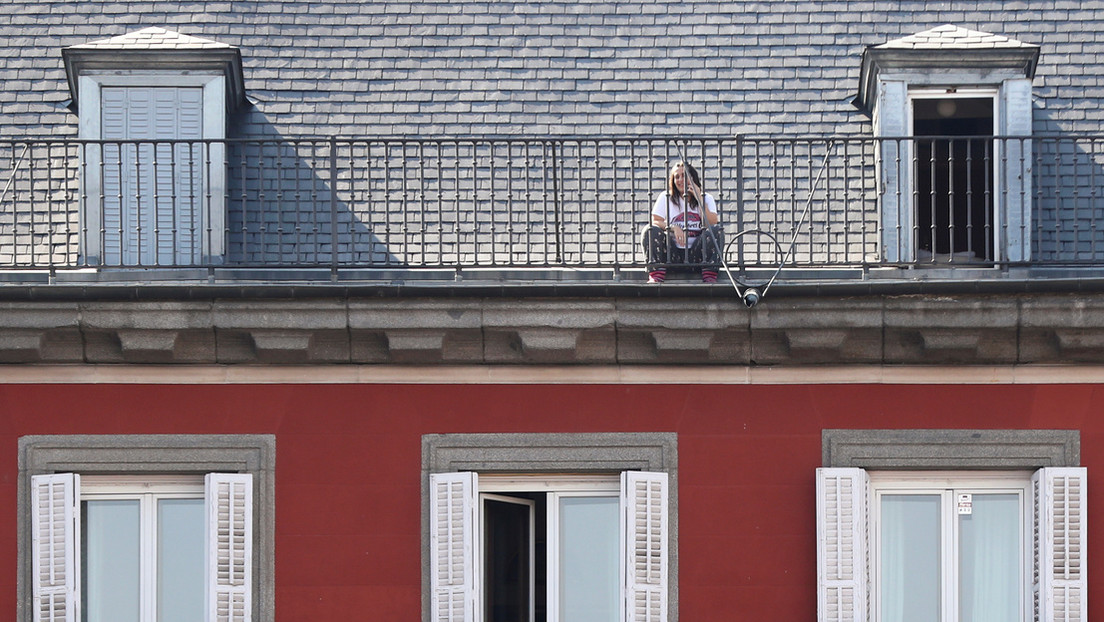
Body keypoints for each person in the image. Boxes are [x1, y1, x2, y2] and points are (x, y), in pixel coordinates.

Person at [641, 161, 723, 283]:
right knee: (649, 230)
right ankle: (656, 274)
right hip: (671, 255)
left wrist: (699, 198)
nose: (680, 180)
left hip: (698, 256)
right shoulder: (665, 197)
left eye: (684, 175)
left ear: (693, 178)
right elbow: (655, 221)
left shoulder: (707, 198)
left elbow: (711, 224)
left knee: (717, 231)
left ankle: (709, 275)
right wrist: (672, 227)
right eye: (677, 177)